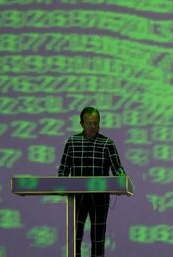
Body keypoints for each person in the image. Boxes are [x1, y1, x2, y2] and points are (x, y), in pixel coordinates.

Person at [57, 107, 126, 257]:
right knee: (74, 239)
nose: (93, 127)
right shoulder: (72, 142)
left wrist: (121, 179)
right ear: (81, 124)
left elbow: (117, 169)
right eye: (89, 123)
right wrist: (62, 185)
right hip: (77, 198)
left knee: (98, 239)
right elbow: (63, 170)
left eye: (96, 123)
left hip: (99, 198)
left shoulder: (107, 144)